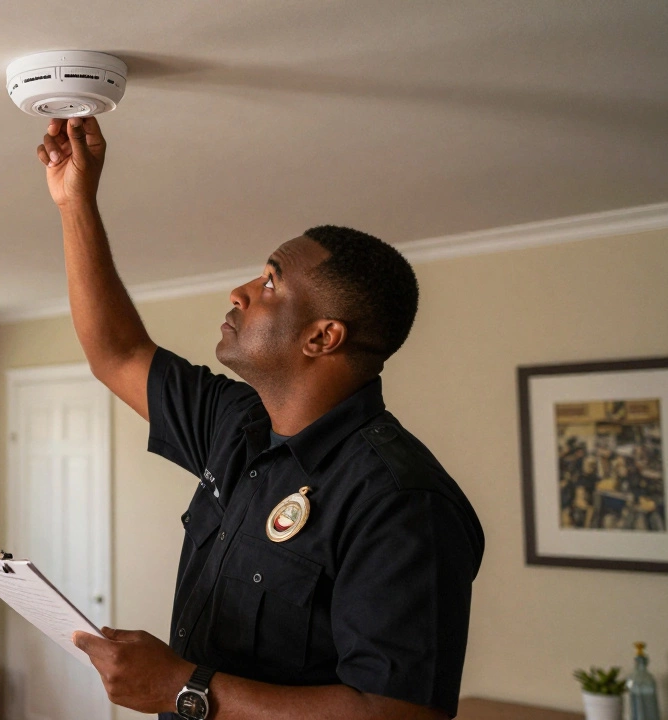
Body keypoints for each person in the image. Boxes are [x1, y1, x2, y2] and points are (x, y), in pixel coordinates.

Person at [35, 116, 485, 720]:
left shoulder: (400, 500)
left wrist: (183, 689)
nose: (240, 292)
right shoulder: (236, 423)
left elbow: (400, 714)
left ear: (322, 336)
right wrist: (75, 202)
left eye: (271, 281)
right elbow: (116, 353)